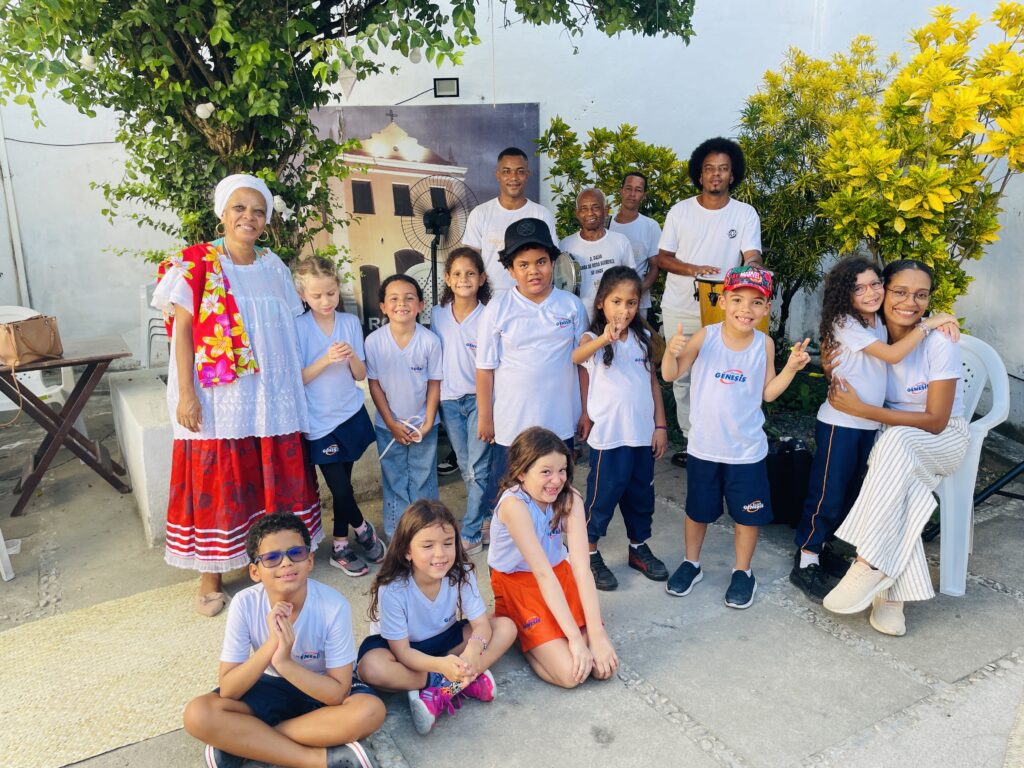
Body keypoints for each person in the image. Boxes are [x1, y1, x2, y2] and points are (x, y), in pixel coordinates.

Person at [154, 174, 321, 617]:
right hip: (219, 396)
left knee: (270, 475)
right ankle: (211, 573)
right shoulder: (197, 264)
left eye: (258, 211)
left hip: (270, 394)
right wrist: (186, 394)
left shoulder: (274, 267)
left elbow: (287, 329)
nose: (249, 217)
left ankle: (279, 562)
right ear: (222, 214)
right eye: (239, 208)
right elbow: (184, 333)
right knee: (220, 478)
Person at [789, 257, 959, 602]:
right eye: (859, 287)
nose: (870, 292)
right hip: (841, 423)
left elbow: (908, 323)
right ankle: (806, 559)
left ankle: (829, 550)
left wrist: (942, 319)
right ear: (843, 294)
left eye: (875, 284)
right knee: (827, 493)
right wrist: (929, 325)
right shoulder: (845, 322)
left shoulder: (879, 320)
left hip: (870, 424)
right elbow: (893, 356)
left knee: (854, 491)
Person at [183, 512, 385, 768]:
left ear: (310, 560)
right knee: (198, 714)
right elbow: (230, 689)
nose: (286, 563)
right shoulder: (245, 604)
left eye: (296, 553)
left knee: (370, 711)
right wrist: (271, 647)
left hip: (319, 687)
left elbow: (336, 693)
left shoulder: (334, 606)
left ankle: (249, 745)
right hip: (269, 687)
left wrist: (285, 662)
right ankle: (315, 760)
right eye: (272, 558)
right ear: (255, 571)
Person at [661, 266, 810, 609]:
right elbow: (671, 374)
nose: (746, 309)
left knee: (748, 516)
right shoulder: (705, 336)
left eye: (756, 302)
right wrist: (671, 351)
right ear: (724, 301)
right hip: (705, 449)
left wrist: (791, 368)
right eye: (738, 299)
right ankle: (691, 563)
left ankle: (743, 571)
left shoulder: (765, 344)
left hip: (746, 452)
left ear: (766, 308)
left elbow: (768, 394)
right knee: (698, 511)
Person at [356, 500, 517, 735]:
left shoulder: (462, 572)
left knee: (506, 627)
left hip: (445, 638)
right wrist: (441, 666)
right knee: (371, 669)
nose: (440, 554)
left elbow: (481, 625)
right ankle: (451, 682)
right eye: (428, 546)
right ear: (407, 551)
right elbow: (402, 652)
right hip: (401, 650)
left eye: (448, 543)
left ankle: (455, 682)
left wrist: (473, 651)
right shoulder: (393, 589)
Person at [476, 218, 590, 541]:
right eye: (523, 264)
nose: (533, 271)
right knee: (509, 489)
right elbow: (485, 368)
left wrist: (585, 410)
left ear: (553, 262)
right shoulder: (497, 310)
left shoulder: (571, 307)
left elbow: (582, 366)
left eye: (541, 262)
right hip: (512, 425)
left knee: (555, 486)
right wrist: (485, 416)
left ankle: (551, 539)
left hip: (559, 423)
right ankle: (508, 539)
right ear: (510, 270)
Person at [655, 138, 763, 467]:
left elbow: (752, 254)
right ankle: (692, 440)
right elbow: (663, 258)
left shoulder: (744, 213)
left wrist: (754, 269)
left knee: (724, 370)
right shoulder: (680, 211)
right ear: (699, 175)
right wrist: (694, 270)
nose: (716, 175)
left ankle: (725, 438)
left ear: (733, 175)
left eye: (723, 169)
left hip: (724, 308)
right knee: (683, 374)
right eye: (709, 169)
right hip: (681, 305)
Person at [488, 427, 618, 687]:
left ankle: (552, 634)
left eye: (562, 470)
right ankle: (522, 635)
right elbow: (541, 574)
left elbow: (581, 569)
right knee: (571, 674)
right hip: (518, 582)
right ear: (522, 472)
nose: (557, 480)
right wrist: (575, 640)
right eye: (545, 471)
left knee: (602, 668)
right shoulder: (514, 505)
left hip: (559, 574)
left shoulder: (569, 499)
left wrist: (597, 633)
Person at [572, 266, 669, 591]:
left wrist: (660, 425)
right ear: (601, 302)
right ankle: (589, 553)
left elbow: (653, 382)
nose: (624, 310)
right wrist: (603, 338)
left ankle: (638, 547)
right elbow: (576, 357)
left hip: (641, 436)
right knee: (601, 499)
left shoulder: (642, 339)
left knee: (641, 497)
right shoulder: (593, 339)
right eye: (617, 301)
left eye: (631, 302)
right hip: (608, 439)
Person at [293, 256, 385, 577]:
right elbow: (297, 378)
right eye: (316, 296)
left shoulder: (348, 323)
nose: (325, 301)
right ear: (303, 295)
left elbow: (361, 372)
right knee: (341, 490)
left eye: (330, 293)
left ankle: (342, 546)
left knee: (344, 483)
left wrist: (349, 359)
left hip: (349, 412)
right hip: (319, 421)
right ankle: (360, 529)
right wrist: (325, 360)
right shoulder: (298, 327)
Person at [365, 274, 443, 537]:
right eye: (394, 299)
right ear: (383, 307)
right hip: (389, 426)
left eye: (410, 298)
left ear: (421, 305)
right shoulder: (374, 342)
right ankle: (397, 535)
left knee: (423, 479)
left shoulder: (430, 341)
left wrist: (429, 421)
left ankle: (428, 531)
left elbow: (434, 383)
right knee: (395, 480)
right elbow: (375, 385)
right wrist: (391, 423)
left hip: (423, 424)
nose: (402, 304)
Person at [430, 247, 493, 554]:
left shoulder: (489, 315)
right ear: (447, 279)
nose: (464, 279)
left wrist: (488, 411)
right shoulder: (437, 314)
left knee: (478, 467)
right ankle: (485, 518)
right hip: (449, 400)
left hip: (479, 400)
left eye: (470, 273)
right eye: (457, 274)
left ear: (481, 278)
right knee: (467, 464)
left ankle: (470, 531)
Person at [462, 147, 557, 296]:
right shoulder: (480, 214)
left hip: (532, 299)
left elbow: (553, 261)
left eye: (520, 171)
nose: (513, 177)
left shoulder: (541, 214)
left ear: (527, 174)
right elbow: (469, 262)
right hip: (491, 299)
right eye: (507, 171)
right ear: (498, 175)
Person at [559, 187, 637, 322]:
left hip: (614, 321)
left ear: (605, 211)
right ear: (577, 213)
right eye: (584, 208)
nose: (590, 213)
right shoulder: (565, 245)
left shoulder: (620, 241)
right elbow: (561, 287)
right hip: (578, 319)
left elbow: (631, 283)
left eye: (595, 207)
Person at [608, 171, 661, 324]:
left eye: (638, 190)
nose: (632, 194)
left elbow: (655, 267)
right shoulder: (606, 225)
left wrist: (636, 292)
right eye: (628, 188)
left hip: (637, 304)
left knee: (636, 345)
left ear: (644, 195)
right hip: (608, 302)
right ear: (621, 191)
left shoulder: (650, 226)